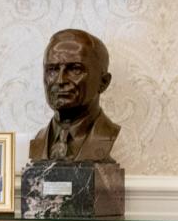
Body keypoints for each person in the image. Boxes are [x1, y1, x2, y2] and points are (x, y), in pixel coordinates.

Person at [29, 29, 120, 162]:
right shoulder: (40, 139)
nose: (60, 80)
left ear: (103, 82)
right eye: (52, 70)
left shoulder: (107, 135)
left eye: (75, 69)